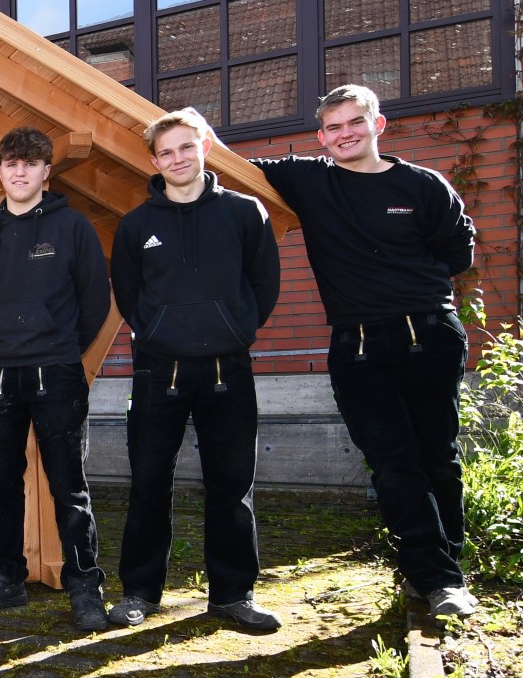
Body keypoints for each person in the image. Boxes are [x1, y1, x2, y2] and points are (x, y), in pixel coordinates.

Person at [249, 84, 478, 618]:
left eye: (355, 122)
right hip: (356, 345)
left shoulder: (423, 185)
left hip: (430, 336)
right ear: (321, 137)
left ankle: (441, 575)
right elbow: (226, 161)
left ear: (378, 125)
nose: (344, 134)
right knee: (394, 464)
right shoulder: (309, 179)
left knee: (437, 458)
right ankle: (436, 577)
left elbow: (458, 254)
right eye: (332, 127)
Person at [109, 108, 282, 631]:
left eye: (186, 147)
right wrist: (160, 333)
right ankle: (140, 591)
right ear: (155, 162)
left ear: (205, 145)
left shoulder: (245, 212)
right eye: (166, 152)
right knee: (148, 483)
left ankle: (233, 594)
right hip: (158, 372)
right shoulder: (137, 225)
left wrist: (235, 329)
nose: (177, 159)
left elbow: (264, 285)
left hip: (228, 369)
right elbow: (129, 294)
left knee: (232, 484)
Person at [0, 126, 112, 629]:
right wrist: (4, 346)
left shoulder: (72, 228)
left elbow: (94, 302)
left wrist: (60, 346)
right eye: (11, 163)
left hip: (57, 373)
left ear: (47, 171)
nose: (19, 171)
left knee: (69, 485)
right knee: (1, 486)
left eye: (30, 163)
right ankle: (5, 580)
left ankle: (85, 587)